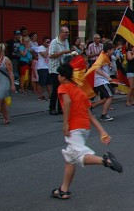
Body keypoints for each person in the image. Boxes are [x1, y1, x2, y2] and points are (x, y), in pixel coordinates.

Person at [51, 62, 122, 200]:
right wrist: (102, 131)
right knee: (70, 158)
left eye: (59, 74)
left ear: (64, 77)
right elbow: (90, 114)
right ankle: (63, 189)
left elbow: (67, 103)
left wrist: (65, 123)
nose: (58, 77)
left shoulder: (63, 87)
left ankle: (104, 161)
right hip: (84, 127)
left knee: (77, 156)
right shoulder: (79, 91)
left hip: (74, 126)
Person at [47, 27, 73, 115]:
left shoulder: (66, 42)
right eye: (65, 32)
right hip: (55, 68)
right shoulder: (54, 42)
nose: (67, 34)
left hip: (63, 68)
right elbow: (51, 55)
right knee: (56, 89)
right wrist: (63, 52)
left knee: (62, 89)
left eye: (68, 32)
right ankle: (52, 107)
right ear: (61, 33)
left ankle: (60, 107)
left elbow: (67, 54)